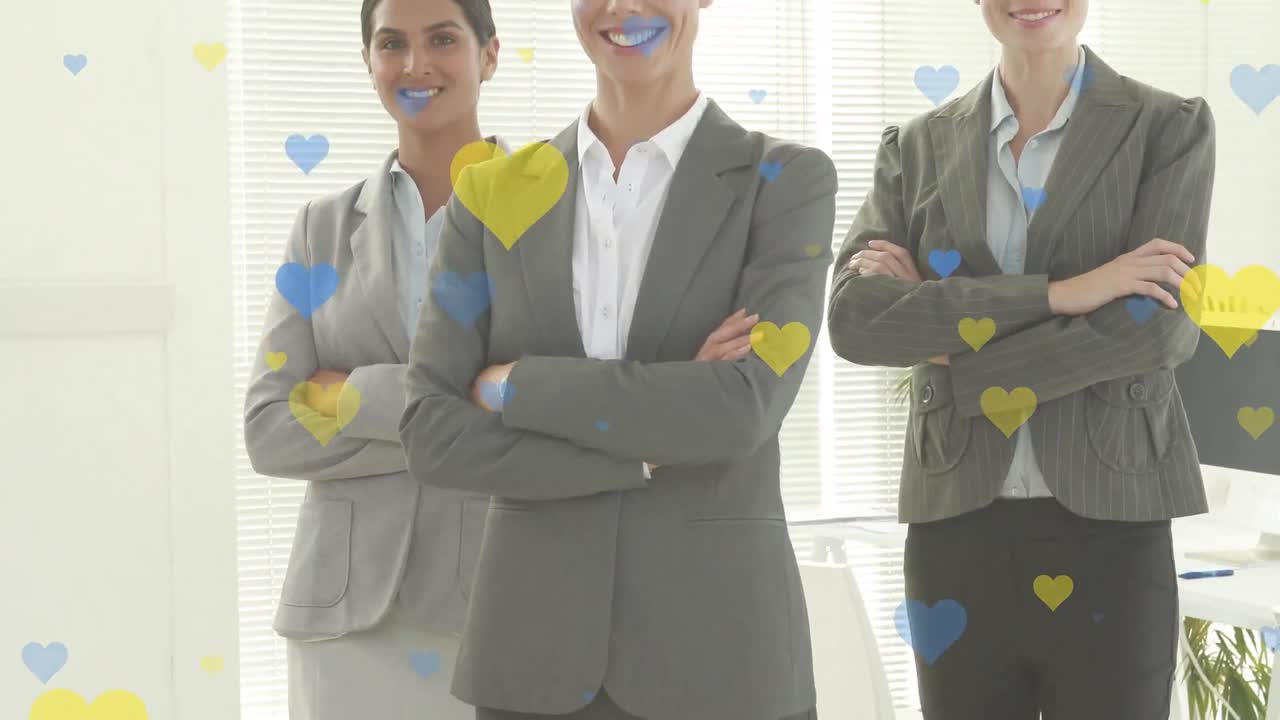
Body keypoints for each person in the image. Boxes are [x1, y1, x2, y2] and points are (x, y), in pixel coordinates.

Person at [398, 0, 838, 717]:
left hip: (722, 657)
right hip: (530, 655)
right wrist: (646, 451)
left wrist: (519, 386)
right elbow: (431, 432)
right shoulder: (489, 193)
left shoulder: (784, 181)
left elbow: (741, 409)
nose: (623, 6)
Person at [826, 1, 1216, 718]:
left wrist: (956, 351)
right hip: (955, 525)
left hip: (1112, 523)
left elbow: (1157, 330)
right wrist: (1067, 293)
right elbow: (854, 320)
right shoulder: (915, 147)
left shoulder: (1166, 127)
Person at [242, 0, 508, 717]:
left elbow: (556, 409)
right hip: (340, 619)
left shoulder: (553, 215)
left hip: (497, 605)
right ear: (368, 62)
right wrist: (461, 405)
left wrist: (350, 395)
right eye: (392, 44)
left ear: (488, 54)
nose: (416, 65)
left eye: (442, 39)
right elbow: (269, 429)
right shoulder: (321, 228)